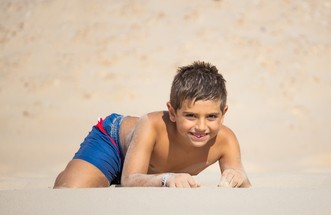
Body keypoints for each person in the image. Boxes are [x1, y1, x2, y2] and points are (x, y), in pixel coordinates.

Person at [54, 61, 251, 188]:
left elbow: (243, 185)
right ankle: (79, 169)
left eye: (211, 117)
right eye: (190, 116)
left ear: (223, 114)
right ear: (173, 112)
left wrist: (238, 177)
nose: (201, 127)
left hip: (146, 174)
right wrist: (168, 179)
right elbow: (129, 180)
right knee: (69, 190)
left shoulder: (225, 140)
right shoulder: (151, 124)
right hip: (113, 146)